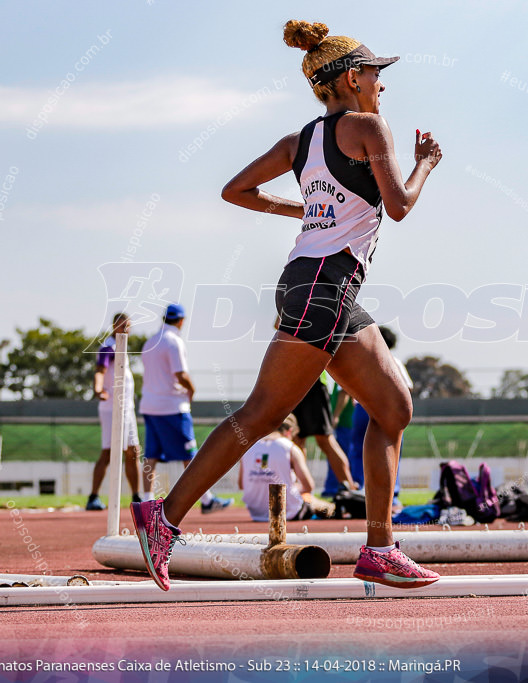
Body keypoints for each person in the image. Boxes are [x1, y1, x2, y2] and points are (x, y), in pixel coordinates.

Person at [131, 19, 442, 591]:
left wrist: (299, 212)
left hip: (319, 284)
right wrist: (426, 162)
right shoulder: (371, 126)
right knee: (261, 415)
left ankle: (380, 547)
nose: (382, 84)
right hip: (325, 285)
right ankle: (164, 519)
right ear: (352, 78)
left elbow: (235, 190)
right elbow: (397, 207)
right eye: (376, 73)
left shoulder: (298, 143)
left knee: (393, 407)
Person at [139, 303, 230, 513]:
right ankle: (206, 500)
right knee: (190, 454)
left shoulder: (150, 342)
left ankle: (147, 501)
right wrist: (192, 391)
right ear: (181, 321)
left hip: (150, 405)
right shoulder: (174, 342)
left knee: (151, 456)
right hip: (172, 406)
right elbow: (181, 374)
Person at [325, 326, 408, 513]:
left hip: (365, 407)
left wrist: (336, 415)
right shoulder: (396, 362)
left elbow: (345, 390)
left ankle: (360, 490)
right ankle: (391, 496)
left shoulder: (365, 360)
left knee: (358, 450)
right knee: (392, 451)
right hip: (390, 408)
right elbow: (407, 388)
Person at [87, 312, 142, 510]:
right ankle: (93, 497)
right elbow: (99, 371)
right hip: (111, 409)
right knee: (108, 453)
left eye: (128, 326)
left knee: (133, 451)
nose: (125, 329)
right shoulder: (108, 348)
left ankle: (137, 498)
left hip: (127, 409)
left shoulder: (123, 348)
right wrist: (98, 390)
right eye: (122, 326)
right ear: (114, 326)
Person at [238, 414, 334, 521]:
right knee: (317, 502)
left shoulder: (249, 446)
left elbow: (242, 485)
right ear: (289, 431)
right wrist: (291, 487)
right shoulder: (290, 447)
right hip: (286, 511)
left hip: (256, 512)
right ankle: (337, 510)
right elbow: (309, 486)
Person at [291, 371, 357, 490]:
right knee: (297, 439)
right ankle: (301, 493)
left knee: (325, 440)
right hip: (292, 382)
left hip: (313, 379)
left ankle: (349, 490)